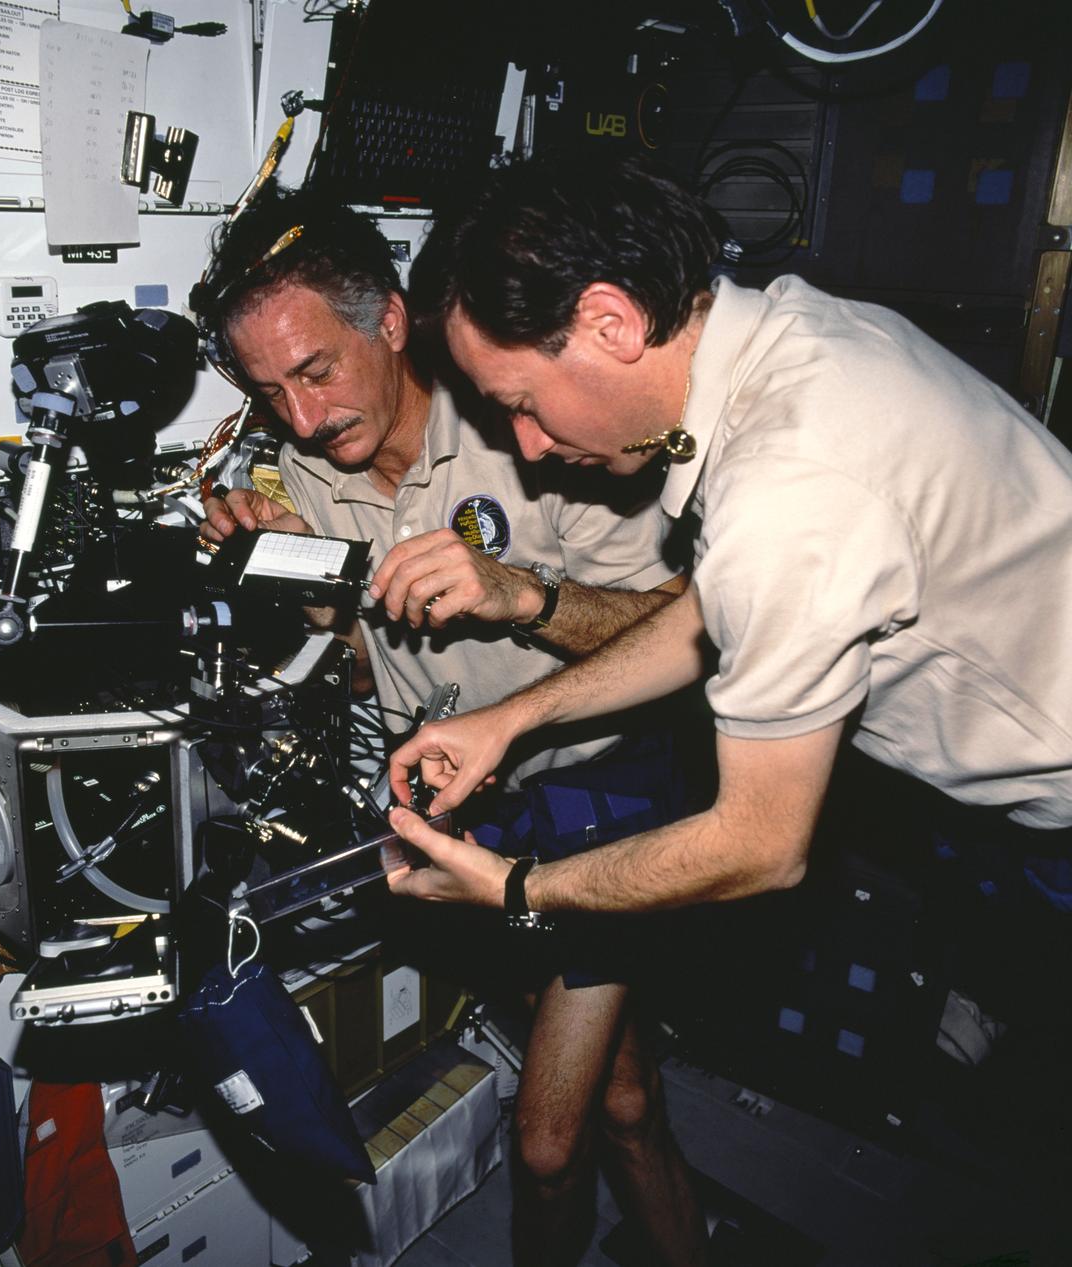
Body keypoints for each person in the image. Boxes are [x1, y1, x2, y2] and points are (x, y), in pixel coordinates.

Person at [190, 183, 709, 1266]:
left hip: (595, 801)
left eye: (316, 370)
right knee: (617, 1097)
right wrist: (278, 573)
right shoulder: (297, 472)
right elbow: (348, 649)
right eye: (266, 388)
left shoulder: (531, 427)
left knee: (550, 1139)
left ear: (388, 319)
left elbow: (688, 631)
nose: (298, 415)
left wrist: (520, 590)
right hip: (455, 816)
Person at [384, 151, 1072, 928]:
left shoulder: (786, 488)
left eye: (523, 404)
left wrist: (517, 888)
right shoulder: (790, 333)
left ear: (611, 322)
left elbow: (761, 846)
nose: (528, 446)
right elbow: (711, 612)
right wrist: (510, 719)